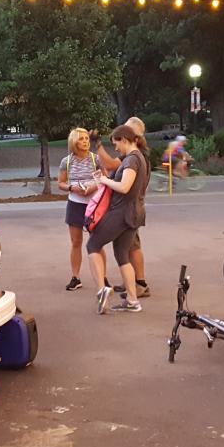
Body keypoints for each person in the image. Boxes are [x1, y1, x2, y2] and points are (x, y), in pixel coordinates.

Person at [88, 123, 150, 314]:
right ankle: (132, 300)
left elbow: (124, 187)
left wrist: (104, 180)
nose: (116, 148)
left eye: (116, 144)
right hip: (134, 214)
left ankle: (102, 290)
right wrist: (107, 177)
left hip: (122, 212)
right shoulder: (138, 157)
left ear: (124, 140)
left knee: (92, 246)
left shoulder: (132, 159)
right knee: (122, 255)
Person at [58, 127, 102, 291]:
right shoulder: (66, 161)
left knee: (96, 241)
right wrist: (71, 188)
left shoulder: (95, 159)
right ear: (74, 142)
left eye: (86, 138)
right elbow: (61, 183)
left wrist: (93, 186)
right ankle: (76, 277)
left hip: (94, 204)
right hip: (75, 203)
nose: (85, 141)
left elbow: (104, 178)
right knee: (76, 242)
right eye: (81, 139)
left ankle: (102, 277)